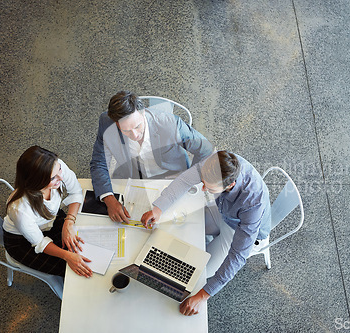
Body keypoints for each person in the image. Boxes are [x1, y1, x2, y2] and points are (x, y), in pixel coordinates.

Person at [141, 151, 271, 316]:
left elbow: (237, 256)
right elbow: (184, 180)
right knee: (184, 226)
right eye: (203, 182)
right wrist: (158, 208)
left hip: (240, 232)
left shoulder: (253, 202)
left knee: (198, 274)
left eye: (209, 187)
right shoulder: (217, 163)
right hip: (224, 212)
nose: (202, 188)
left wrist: (203, 296)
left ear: (230, 185)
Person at [90, 91, 214, 224]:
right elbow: (99, 162)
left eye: (138, 126)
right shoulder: (106, 123)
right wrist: (109, 199)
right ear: (116, 123)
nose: (135, 135)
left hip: (172, 177)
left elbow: (206, 150)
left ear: (143, 113)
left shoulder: (170, 123)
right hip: (135, 178)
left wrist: (189, 178)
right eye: (126, 131)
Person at [3, 146, 92, 278]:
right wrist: (67, 256)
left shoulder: (55, 166)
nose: (61, 178)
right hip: (22, 241)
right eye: (53, 178)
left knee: (84, 246)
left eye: (60, 170)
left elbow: (76, 191)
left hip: (50, 219)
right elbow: (39, 242)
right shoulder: (19, 209)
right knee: (69, 268)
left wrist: (68, 223)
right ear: (36, 182)